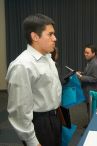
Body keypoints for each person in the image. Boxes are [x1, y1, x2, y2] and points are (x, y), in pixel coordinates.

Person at [6, 14, 62, 146]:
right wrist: (32, 141)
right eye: (50, 34)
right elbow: (19, 111)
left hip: (53, 118)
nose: (55, 38)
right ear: (35, 37)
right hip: (39, 124)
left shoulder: (48, 58)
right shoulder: (22, 65)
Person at [76, 45, 97, 116]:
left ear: (93, 53)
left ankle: (92, 125)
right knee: (89, 109)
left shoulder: (95, 64)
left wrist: (81, 77)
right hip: (88, 90)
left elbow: (95, 79)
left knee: (92, 110)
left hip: (92, 91)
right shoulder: (91, 61)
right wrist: (82, 73)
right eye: (85, 52)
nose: (85, 54)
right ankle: (90, 123)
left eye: (87, 53)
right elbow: (89, 74)